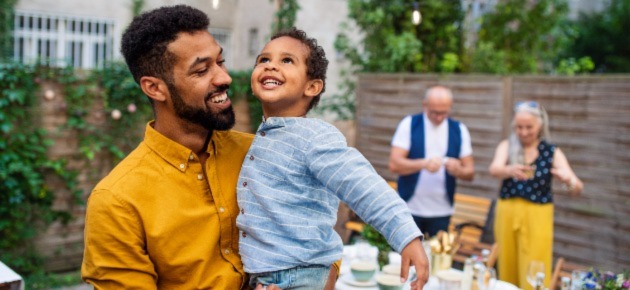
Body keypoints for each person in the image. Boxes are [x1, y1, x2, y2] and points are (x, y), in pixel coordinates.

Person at [81, 6, 337, 289]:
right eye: (202, 70)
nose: (224, 77)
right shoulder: (117, 202)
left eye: (221, 61)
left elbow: (316, 229)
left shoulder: (261, 152)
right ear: (155, 88)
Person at [236, 27, 429, 290]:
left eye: (287, 60)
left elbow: (362, 185)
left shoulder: (314, 137)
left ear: (312, 86)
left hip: (294, 275)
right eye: (263, 60)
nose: (271, 66)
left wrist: (406, 235)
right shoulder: (266, 135)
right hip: (271, 275)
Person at [488, 101, 583, 289]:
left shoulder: (551, 151)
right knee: (506, 262)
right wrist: (509, 170)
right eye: (519, 127)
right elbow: (494, 169)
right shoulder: (508, 145)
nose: (523, 132)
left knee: (535, 265)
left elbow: (577, 187)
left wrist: (567, 179)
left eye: (529, 127)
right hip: (507, 210)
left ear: (540, 126)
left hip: (538, 215)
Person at [389, 86, 475, 237]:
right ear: (425, 105)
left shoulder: (459, 129)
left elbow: (470, 173)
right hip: (408, 208)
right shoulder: (409, 124)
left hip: (442, 211)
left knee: (437, 259)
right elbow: (394, 164)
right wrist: (423, 164)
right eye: (434, 112)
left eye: (444, 112)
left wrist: (458, 170)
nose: (439, 117)